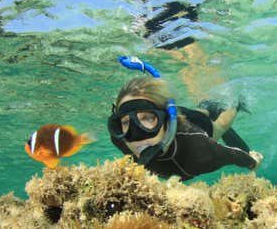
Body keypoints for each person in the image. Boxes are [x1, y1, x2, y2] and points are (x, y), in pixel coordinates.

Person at [107, 76, 263, 181]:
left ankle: (236, 104)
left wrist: (252, 162)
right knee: (201, 111)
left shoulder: (199, 149)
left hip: (195, 125)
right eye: (126, 122)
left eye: (148, 118)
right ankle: (205, 107)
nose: (135, 134)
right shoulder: (121, 138)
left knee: (221, 124)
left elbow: (233, 155)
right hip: (181, 115)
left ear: (167, 120)